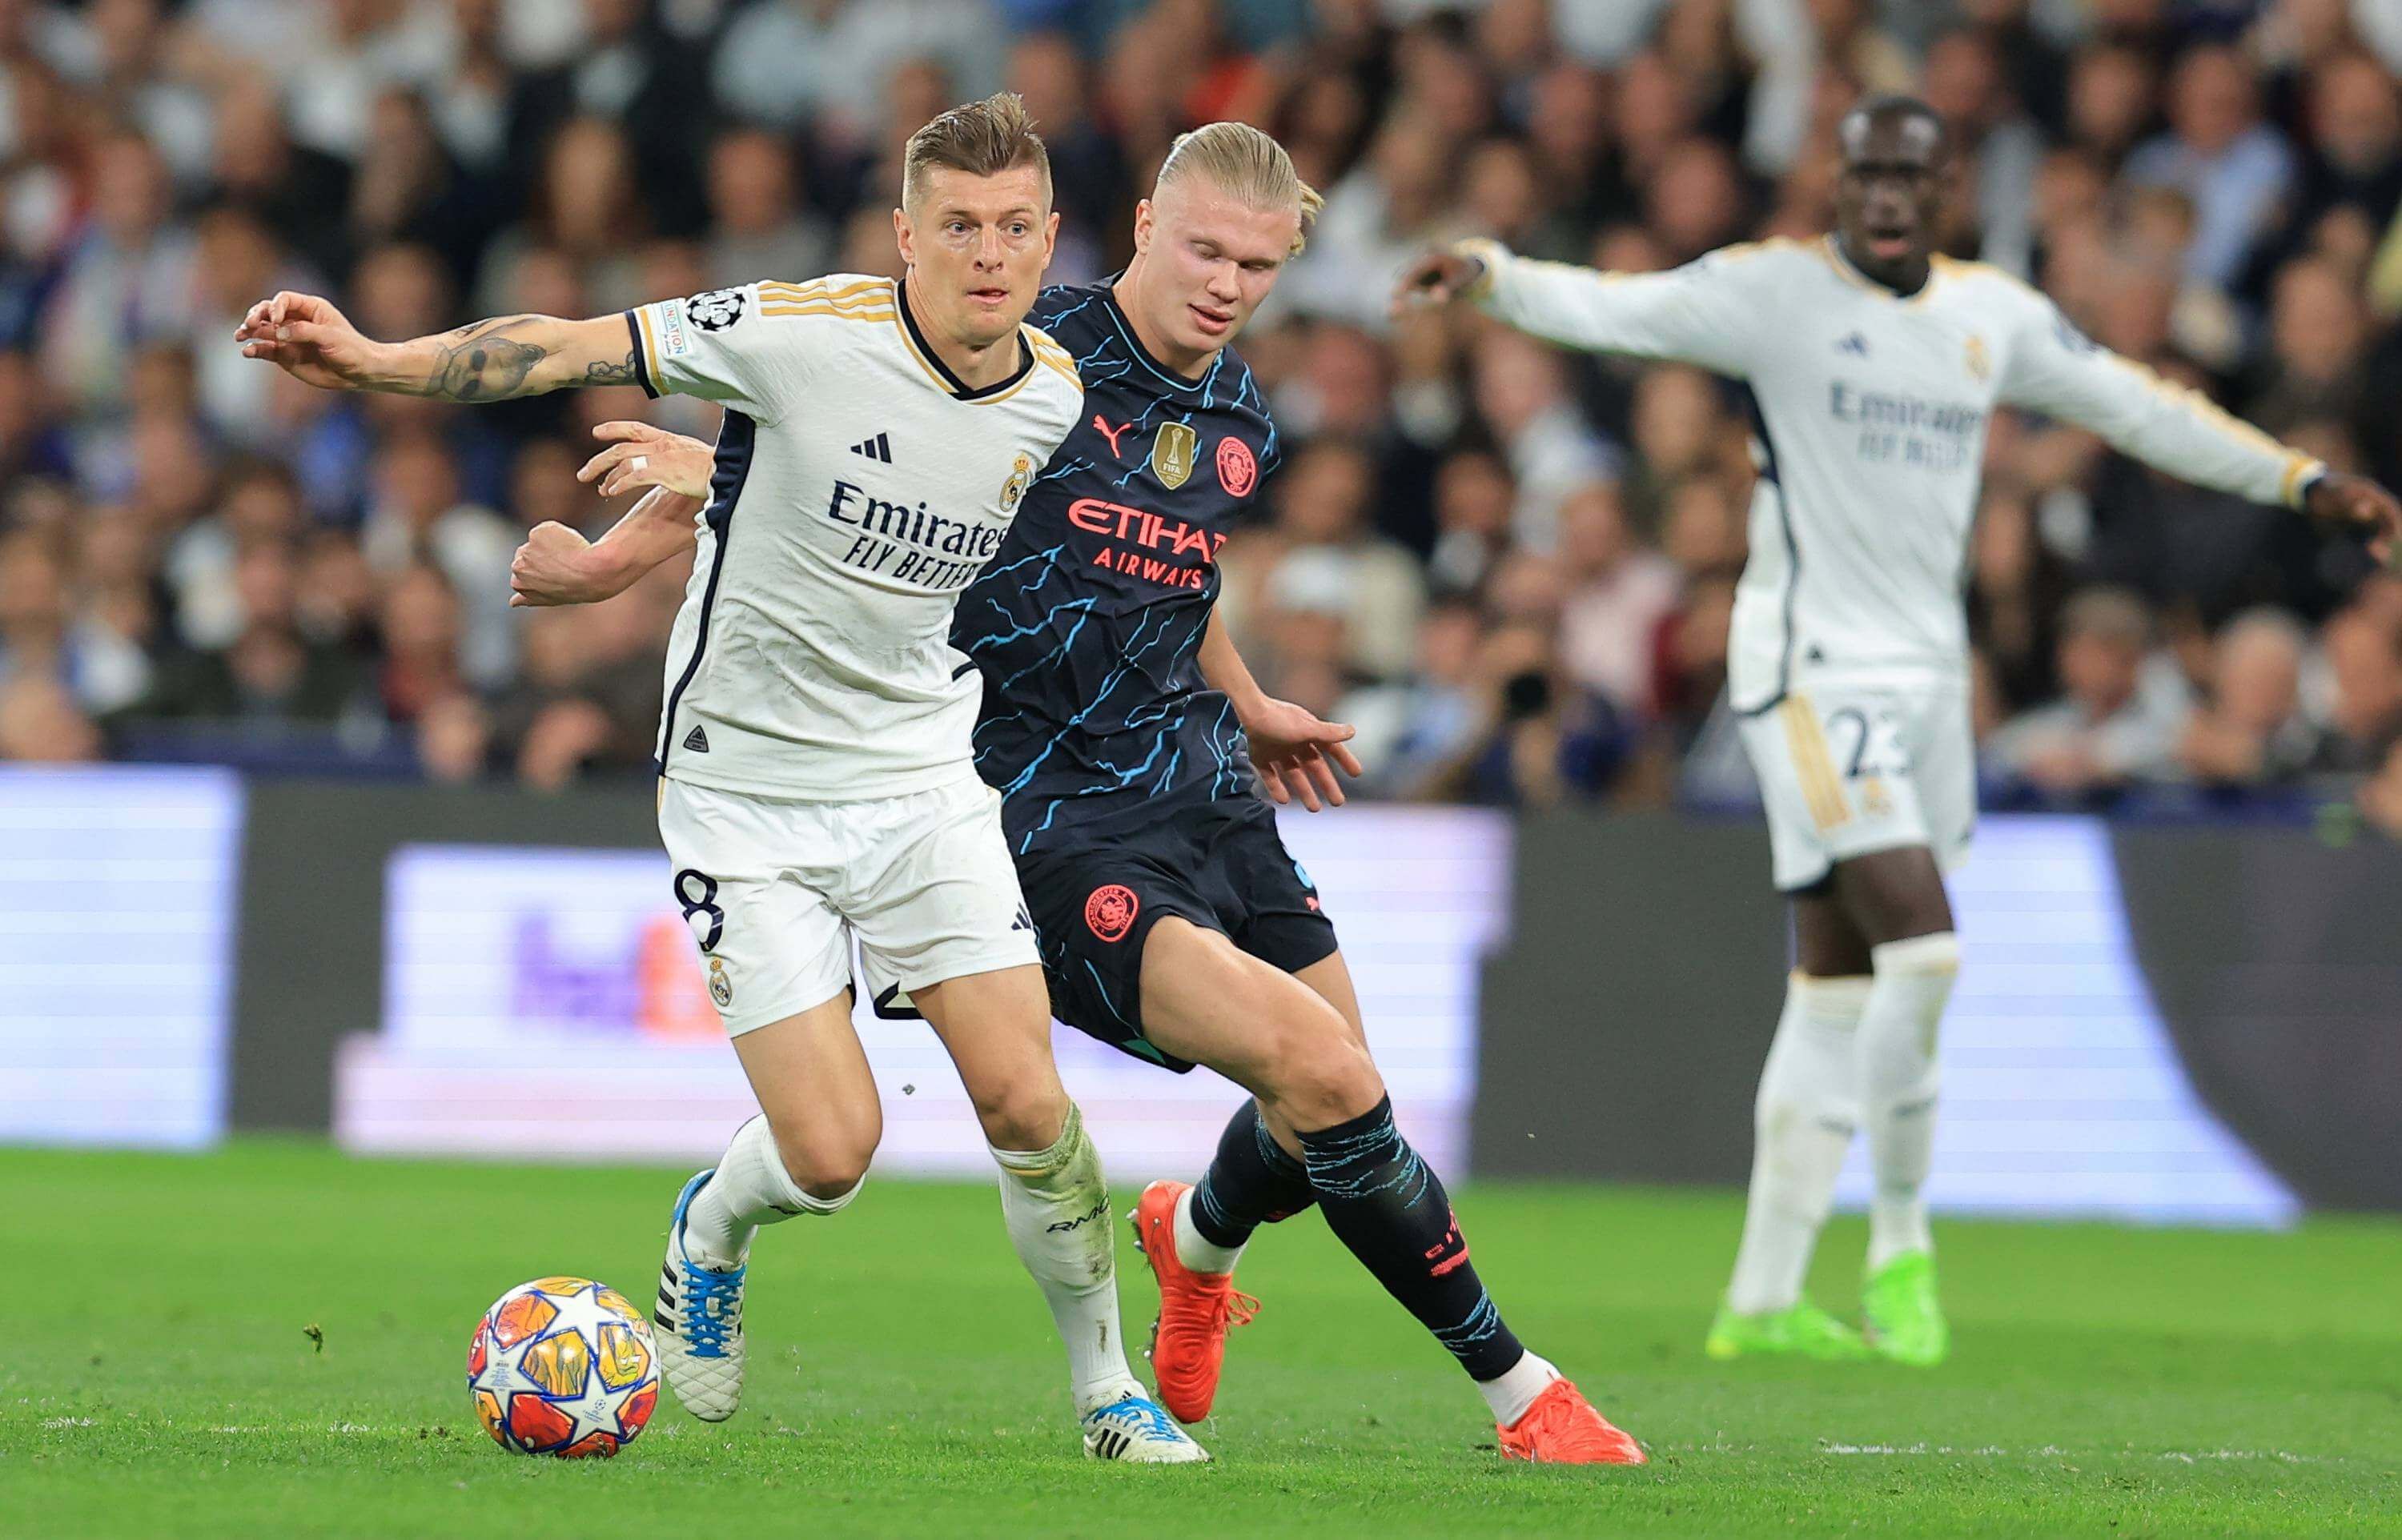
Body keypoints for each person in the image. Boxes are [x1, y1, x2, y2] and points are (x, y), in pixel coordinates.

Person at [579, 122, 1645, 1466]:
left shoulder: (1242, 417)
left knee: (1332, 1093)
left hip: (1200, 783)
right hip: (1041, 812)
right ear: (1144, 223)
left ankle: (1192, 1244)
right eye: (1203, 248)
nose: (1224, 283)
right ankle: (1522, 1394)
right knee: (1324, 1082)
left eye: (1255, 265)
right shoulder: (1023, 348)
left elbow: (1166, 577)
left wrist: (1249, 701)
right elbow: (813, 456)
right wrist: (646, 524)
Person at [237, 94, 1203, 1464]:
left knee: (1029, 1106)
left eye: (1015, 229)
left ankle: (1107, 1393)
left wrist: (626, 545)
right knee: (832, 1151)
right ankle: (709, 1233)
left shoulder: (1053, 396)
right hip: (746, 798)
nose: (988, 256)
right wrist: (373, 363)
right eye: (958, 228)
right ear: (904, 235)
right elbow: (576, 345)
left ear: (1050, 239)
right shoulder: (801, 334)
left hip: (922, 776)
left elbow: (780, 489)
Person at [1398, 95, 2402, 1367]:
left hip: (1929, 682)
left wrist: (2298, 478)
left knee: (1838, 982)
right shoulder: (1776, 295)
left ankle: (1761, 1298)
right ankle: (1902, 1251)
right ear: (1839, 181)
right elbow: (1620, 305)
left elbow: (2136, 407)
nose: (1882, 192)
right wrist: (1491, 275)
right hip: (1811, 669)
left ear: (1945, 190)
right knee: (1924, 950)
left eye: (1906, 175)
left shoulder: (1991, 318)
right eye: (1863, 169)